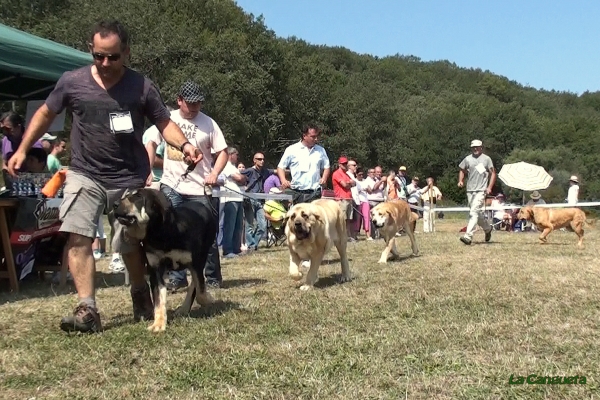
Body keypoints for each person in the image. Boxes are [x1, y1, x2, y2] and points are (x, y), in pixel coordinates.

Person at [7, 20, 201, 334]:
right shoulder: (72, 82)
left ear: (126, 52)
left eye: (113, 56)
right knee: (79, 236)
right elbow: (46, 113)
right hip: (85, 172)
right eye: (99, 56)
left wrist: (186, 145)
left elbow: (164, 123)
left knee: (130, 243)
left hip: (128, 177)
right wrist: (23, 148)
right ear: (91, 51)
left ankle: (140, 293)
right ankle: (88, 309)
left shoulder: (142, 86)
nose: (105, 63)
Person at [147, 80, 228, 290]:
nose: (194, 108)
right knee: (172, 232)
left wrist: (214, 173)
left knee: (207, 235)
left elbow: (223, 153)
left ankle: (211, 278)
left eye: (198, 104)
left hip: (200, 188)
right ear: (179, 100)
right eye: (190, 103)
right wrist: (147, 170)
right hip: (171, 185)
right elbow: (151, 143)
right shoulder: (167, 120)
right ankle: (177, 278)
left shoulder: (209, 123)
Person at [277, 123, 330, 204]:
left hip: (315, 192)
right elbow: (280, 167)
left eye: (317, 136)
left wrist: (324, 178)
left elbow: (327, 167)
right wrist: (283, 180)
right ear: (304, 136)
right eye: (313, 136)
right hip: (296, 193)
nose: (316, 139)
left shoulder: (321, 150)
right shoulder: (292, 149)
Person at [458, 139, 496, 245]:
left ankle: (468, 236)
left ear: (481, 148)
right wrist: (460, 180)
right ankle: (488, 229)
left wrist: (489, 187)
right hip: (470, 190)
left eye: (477, 147)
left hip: (481, 190)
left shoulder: (487, 159)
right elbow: (461, 169)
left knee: (473, 212)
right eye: (473, 147)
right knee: (477, 214)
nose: (475, 149)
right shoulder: (467, 159)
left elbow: (493, 173)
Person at [221, 147, 246, 258]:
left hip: (239, 198)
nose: (237, 157)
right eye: (236, 154)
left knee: (238, 226)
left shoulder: (234, 167)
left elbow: (243, 179)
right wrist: (242, 178)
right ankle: (227, 250)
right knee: (229, 226)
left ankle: (236, 248)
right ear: (231, 155)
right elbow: (239, 179)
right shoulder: (226, 166)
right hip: (230, 199)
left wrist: (242, 178)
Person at [331, 156, 356, 239]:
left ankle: (347, 235)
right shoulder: (337, 173)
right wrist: (350, 183)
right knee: (342, 219)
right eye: (343, 164)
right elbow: (344, 185)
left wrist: (349, 183)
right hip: (341, 199)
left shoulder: (346, 174)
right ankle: (340, 236)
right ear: (339, 164)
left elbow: (354, 184)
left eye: (346, 163)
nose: (345, 165)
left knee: (348, 219)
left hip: (349, 199)